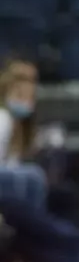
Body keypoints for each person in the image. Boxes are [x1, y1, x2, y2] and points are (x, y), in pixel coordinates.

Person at [0, 58, 48, 211]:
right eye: (19, 93)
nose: (29, 90)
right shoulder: (3, 120)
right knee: (34, 177)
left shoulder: (19, 127)